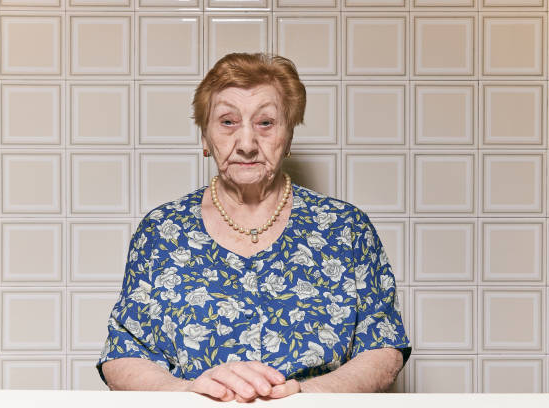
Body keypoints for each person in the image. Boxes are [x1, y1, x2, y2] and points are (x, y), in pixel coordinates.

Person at [97, 52, 411, 401]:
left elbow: (383, 347)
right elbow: (123, 353)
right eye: (227, 122)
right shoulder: (161, 231)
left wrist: (308, 394)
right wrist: (187, 391)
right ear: (205, 137)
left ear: (288, 136)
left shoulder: (346, 228)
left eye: (265, 123)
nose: (246, 144)